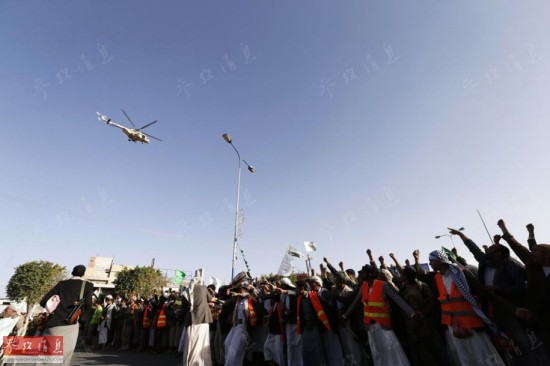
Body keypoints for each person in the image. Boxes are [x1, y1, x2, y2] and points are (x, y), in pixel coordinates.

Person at [38, 264, 94, 366]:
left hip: (53, 323)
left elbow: (43, 302)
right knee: (64, 356)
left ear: (72, 272)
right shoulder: (87, 285)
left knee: (47, 353)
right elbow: (88, 305)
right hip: (71, 324)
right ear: (83, 274)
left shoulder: (61, 284)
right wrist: (83, 321)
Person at [180, 275, 213, 366]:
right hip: (202, 319)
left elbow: (183, 308)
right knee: (202, 342)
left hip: (191, 320)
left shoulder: (186, 291)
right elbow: (211, 299)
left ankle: (188, 362)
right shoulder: (203, 288)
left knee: (190, 341)